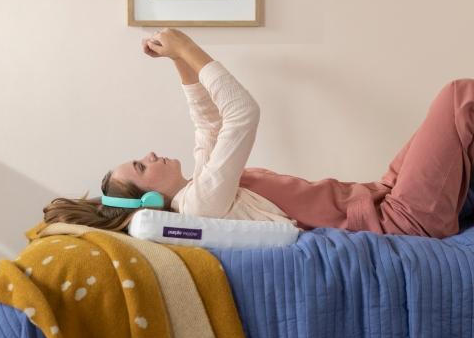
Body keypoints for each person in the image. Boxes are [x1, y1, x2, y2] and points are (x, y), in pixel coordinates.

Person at [44, 28, 474, 239]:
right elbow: (242, 114)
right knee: (459, 98)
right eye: (141, 165)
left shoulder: (201, 188)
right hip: (395, 222)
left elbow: (208, 123)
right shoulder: (200, 205)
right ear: (152, 201)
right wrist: (188, 48)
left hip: (379, 195)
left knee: (454, 122)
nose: (151, 154)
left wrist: (176, 60)